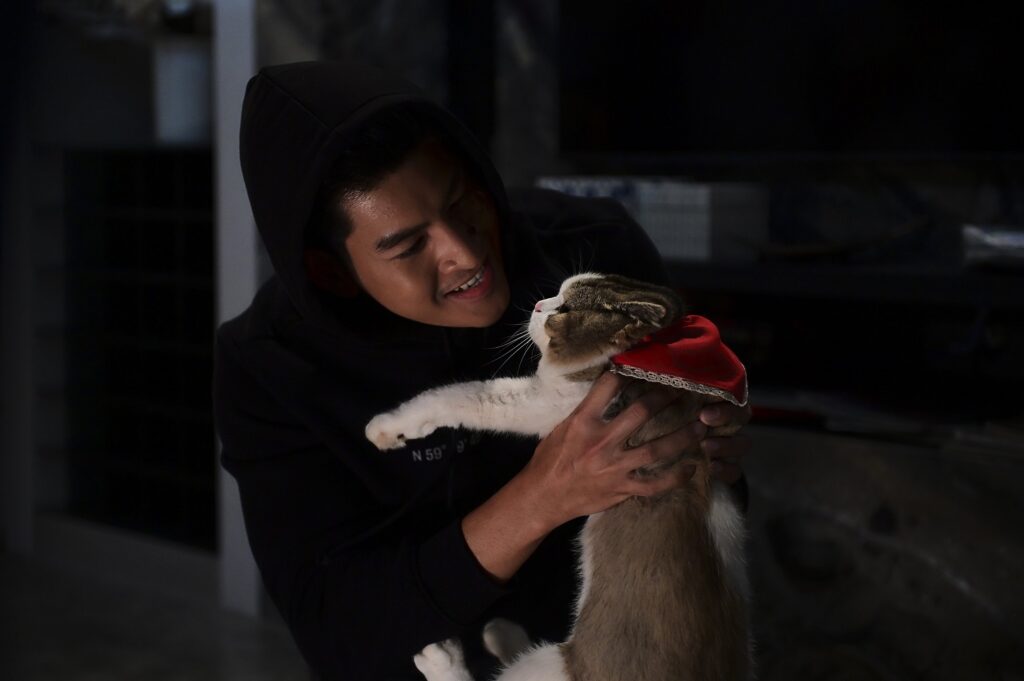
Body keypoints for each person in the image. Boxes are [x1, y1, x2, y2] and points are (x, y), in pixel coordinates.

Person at [213, 61, 751, 680]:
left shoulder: (592, 249)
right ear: (332, 272)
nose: (467, 253)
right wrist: (543, 496)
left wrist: (709, 447)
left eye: (460, 200)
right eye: (409, 246)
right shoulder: (270, 364)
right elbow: (337, 631)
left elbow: (710, 497)